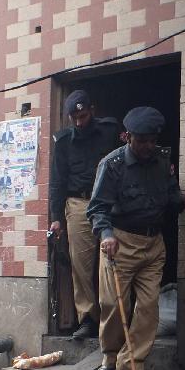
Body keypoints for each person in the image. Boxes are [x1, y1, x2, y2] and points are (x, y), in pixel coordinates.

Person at [88, 106, 185, 370]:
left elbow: (168, 196)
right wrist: (106, 235)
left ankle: (131, 365)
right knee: (115, 304)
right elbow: (97, 208)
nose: (148, 146)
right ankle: (110, 357)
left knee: (148, 307)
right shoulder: (112, 165)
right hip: (120, 242)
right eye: (142, 140)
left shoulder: (162, 161)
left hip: (153, 244)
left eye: (152, 140)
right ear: (127, 137)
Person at [48, 90, 120, 339]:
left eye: (84, 115)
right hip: (78, 203)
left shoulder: (110, 131)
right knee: (81, 264)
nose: (80, 122)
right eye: (75, 117)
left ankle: (114, 321)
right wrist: (56, 216)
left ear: (93, 110)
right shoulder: (64, 141)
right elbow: (57, 181)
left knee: (112, 261)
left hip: (109, 203)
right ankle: (87, 319)